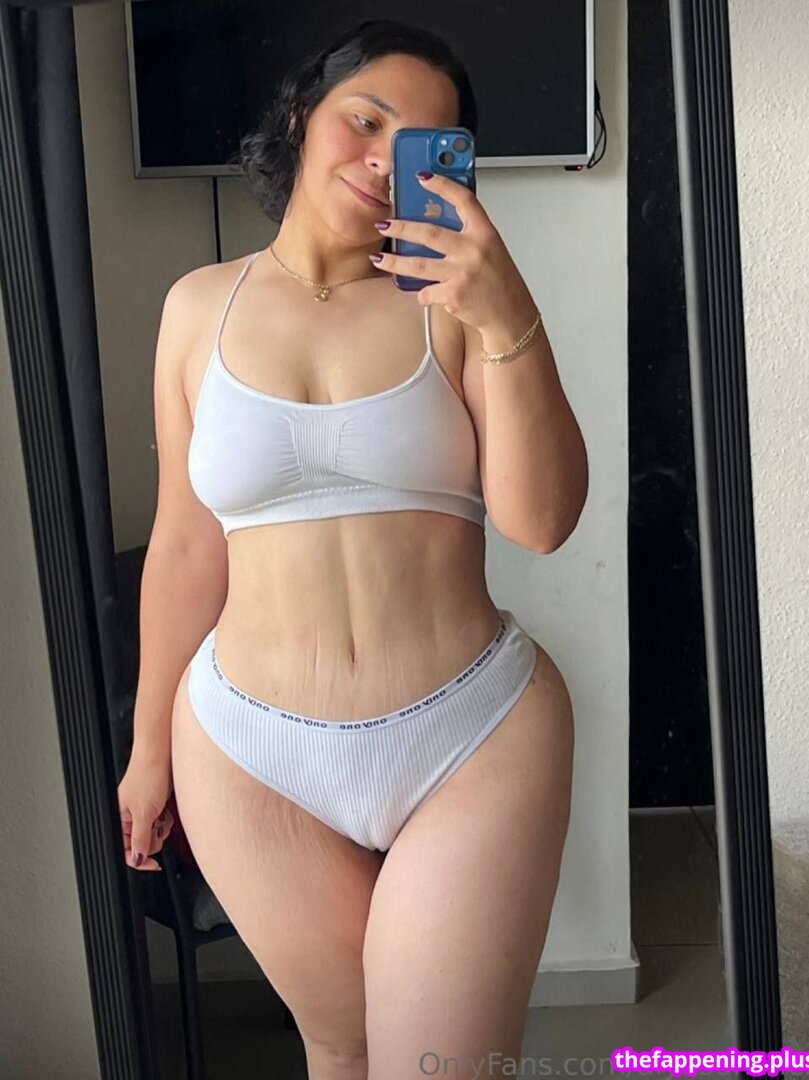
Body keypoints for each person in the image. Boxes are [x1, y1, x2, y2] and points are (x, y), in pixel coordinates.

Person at [117, 17, 585, 1078]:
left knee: (444, 1064)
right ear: (300, 117)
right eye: (364, 121)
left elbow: (541, 521)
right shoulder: (197, 307)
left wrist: (508, 313)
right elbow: (185, 545)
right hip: (248, 749)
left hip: (469, 736)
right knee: (339, 1049)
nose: (382, 159)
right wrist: (148, 751)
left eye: (421, 143)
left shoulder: (460, 309)